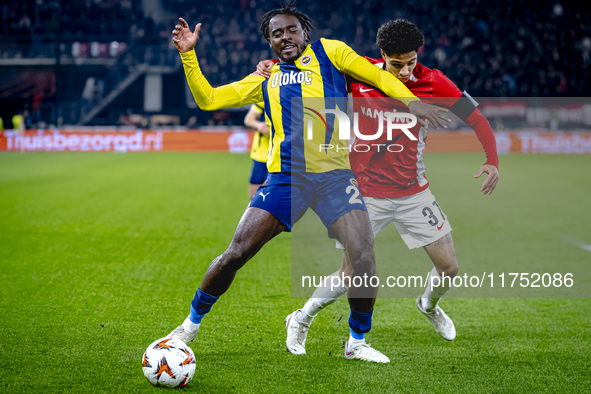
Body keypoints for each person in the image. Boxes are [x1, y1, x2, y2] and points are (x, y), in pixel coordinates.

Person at [167, 1, 450, 363]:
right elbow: (208, 99)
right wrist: (189, 55)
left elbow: (377, 75)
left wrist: (412, 102)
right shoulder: (264, 78)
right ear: (269, 42)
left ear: (305, 33)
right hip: (286, 179)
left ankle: (356, 342)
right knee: (236, 252)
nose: (285, 37)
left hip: (334, 177)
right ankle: (187, 328)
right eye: (277, 33)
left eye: (291, 30)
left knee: (363, 256)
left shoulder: (332, 53)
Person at [256, 19, 499, 355]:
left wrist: (492, 160)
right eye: (396, 64)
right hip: (365, 193)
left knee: (449, 268)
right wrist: (271, 66)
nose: (404, 72)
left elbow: (476, 117)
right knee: (351, 272)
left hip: (414, 192)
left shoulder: (433, 81)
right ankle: (301, 317)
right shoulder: (359, 73)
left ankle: (428, 306)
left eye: (411, 62)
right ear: (382, 55)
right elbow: (305, 68)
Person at [243, 103, 270, 199]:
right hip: (260, 156)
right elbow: (248, 120)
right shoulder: (264, 101)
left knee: (268, 199)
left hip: (279, 158)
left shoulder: (289, 101)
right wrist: (259, 125)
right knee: (253, 198)